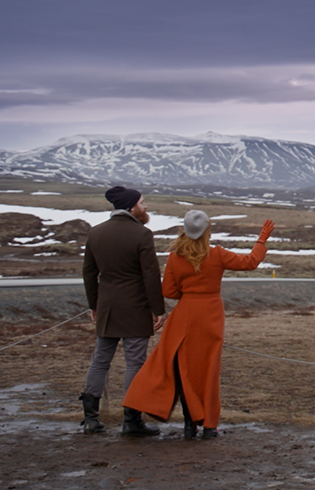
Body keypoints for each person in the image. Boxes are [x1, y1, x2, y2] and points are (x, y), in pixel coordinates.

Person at [123, 210, 275, 439]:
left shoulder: (175, 257)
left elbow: (170, 292)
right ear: (207, 231)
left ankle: (188, 424)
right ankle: (209, 425)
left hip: (183, 317)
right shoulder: (218, 255)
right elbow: (251, 262)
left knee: (180, 371)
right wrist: (261, 240)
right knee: (207, 372)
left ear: (184, 231)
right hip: (210, 317)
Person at [79, 185, 166, 436]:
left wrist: (94, 305)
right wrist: (157, 309)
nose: (145, 206)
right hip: (136, 307)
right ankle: (132, 420)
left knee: (100, 360)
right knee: (135, 363)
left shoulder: (96, 233)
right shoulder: (142, 234)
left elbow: (89, 273)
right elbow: (151, 275)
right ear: (131, 207)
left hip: (107, 306)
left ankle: (91, 418)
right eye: (142, 202)